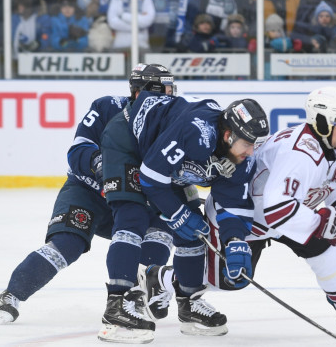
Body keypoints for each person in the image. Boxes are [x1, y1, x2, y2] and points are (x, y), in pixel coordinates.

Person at [181, 87, 336, 333]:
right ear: (323, 122)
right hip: (242, 218)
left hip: (289, 216)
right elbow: (276, 208)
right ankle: (165, 281)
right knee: (228, 282)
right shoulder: (300, 154)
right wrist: (322, 223)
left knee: (327, 252)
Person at [0, 64, 176, 324]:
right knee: (66, 245)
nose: (171, 93)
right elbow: (78, 150)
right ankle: (9, 297)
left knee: (162, 229)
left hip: (135, 199)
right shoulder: (107, 106)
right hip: (89, 192)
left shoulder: (171, 118)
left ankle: (135, 296)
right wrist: (102, 166)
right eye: (165, 88)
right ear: (142, 91)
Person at [98, 85, 270, 342]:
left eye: (255, 145)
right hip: (128, 143)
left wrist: (235, 241)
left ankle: (189, 302)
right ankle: (117, 304)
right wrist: (175, 212)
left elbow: (232, 205)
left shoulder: (241, 160)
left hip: (165, 161)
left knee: (194, 229)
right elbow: (151, 177)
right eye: (247, 144)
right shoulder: (195, 131)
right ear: (228, 135)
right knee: (132, 216)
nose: (251, 152)